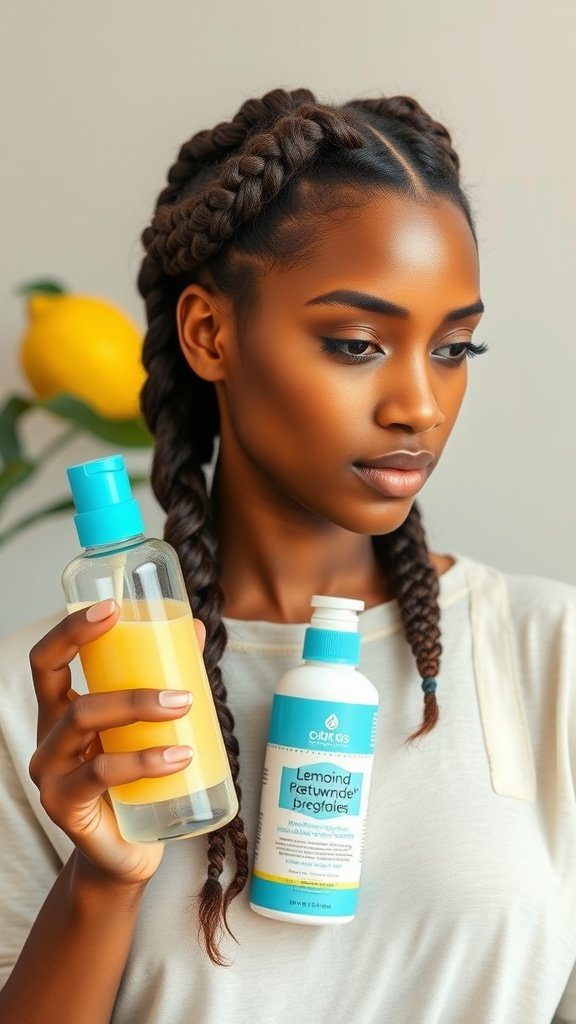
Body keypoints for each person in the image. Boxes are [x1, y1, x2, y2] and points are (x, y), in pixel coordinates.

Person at [0, 86, 575, 1024]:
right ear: (209, 333)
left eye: (455, 348)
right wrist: (101, 887)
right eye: (356, 343)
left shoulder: (549, 655)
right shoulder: (48, 703)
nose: (420, 406)